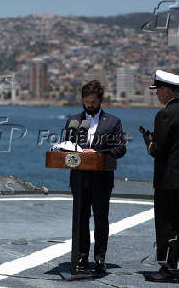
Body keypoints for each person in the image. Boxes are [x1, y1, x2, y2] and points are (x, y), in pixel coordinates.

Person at [142, 70, 179, 283]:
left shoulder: (164, 115)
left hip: (168, 180)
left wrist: (148, 139)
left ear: (166, 91)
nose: (157, 94)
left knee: (166, 225)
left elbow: (157, 150)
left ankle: (168, 270)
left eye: (158, 90)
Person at [64, 80, 126, 274]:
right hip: (79, 178)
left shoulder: (113, 122)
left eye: (92, 101)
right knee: (80, 219)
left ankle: (100, 258)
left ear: (100, 100)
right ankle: (81, 256)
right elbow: (68, 146)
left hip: (101, 179)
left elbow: (120, 148)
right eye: (86, 101)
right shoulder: (73, 120)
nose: (89, 105)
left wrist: (97, 152)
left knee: (101, 219)